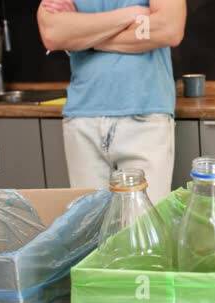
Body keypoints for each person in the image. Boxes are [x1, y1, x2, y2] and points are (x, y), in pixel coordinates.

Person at [37, 0, 187, 203]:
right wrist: (130, 15)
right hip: (82, 119)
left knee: (143, 231)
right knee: (91, 231)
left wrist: (85, 38)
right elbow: (52, 33)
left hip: (144, 117)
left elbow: (169, 28)